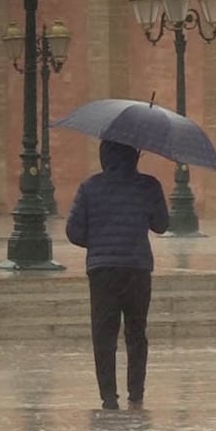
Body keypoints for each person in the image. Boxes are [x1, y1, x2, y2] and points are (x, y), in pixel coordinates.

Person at [66, 140, 170, 410]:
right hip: (137, 269)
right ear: (134, 155)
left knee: (104, 334)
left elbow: (73, 231)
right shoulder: (149, 185)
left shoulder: (90, 187)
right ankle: (136, 394)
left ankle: (109, 398)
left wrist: (100, 243)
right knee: (136, 333)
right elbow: (161, 225)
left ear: (104, 155)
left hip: (102, 271)